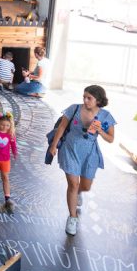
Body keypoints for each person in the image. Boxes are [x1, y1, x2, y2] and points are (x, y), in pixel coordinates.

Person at [46, 85, 115, 236]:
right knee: (73, 184)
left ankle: (78, 193)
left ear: (98, 100)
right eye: (84, 96)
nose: (85, 100)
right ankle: (72, 217)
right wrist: (53, 145)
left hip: (89, 153)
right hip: (70, 148)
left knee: (85, 186)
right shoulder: (74, 109)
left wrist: (100, 131)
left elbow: (111, 139)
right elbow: (62, 127)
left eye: (89, 98)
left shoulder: (105, 116)